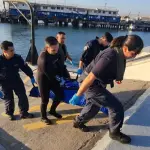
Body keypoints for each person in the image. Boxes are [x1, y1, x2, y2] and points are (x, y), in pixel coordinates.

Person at [69, 35, 144, 144]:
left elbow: (116, 67)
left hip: (98, 83)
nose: (135, 56)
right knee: (116, 107)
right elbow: (90, 77)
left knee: (93, 108)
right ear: (125, 48)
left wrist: (116, 77)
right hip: (91, 84)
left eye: (137, 54)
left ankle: (78, 122)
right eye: (133, 53)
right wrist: (78, 94)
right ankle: (114, 132)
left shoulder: (120, 52)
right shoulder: (109, 56)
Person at [0, 41, 36, 120]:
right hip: (4, 82)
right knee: (8, 99)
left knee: (22, 96)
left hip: (16, 80)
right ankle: (10, 113)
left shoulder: (17, 58)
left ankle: (24, 113)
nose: (13, 52)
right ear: (4, 51)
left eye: (13, 50)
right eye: (11, 50)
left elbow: (25, 67)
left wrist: (31, 76)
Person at [37, 36, 65, 125]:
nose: (56, 51)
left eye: (57, 48)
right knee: (45, 100)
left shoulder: (57, 51)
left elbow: (61, 66)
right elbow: (48, 74)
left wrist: (65, 76)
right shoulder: (43, 58)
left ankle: (52, 111)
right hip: (44, 80)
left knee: (60, 95)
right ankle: (43, 117)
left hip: (53, 76)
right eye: (53, 50)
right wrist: (59, 79)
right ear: (47, 48)